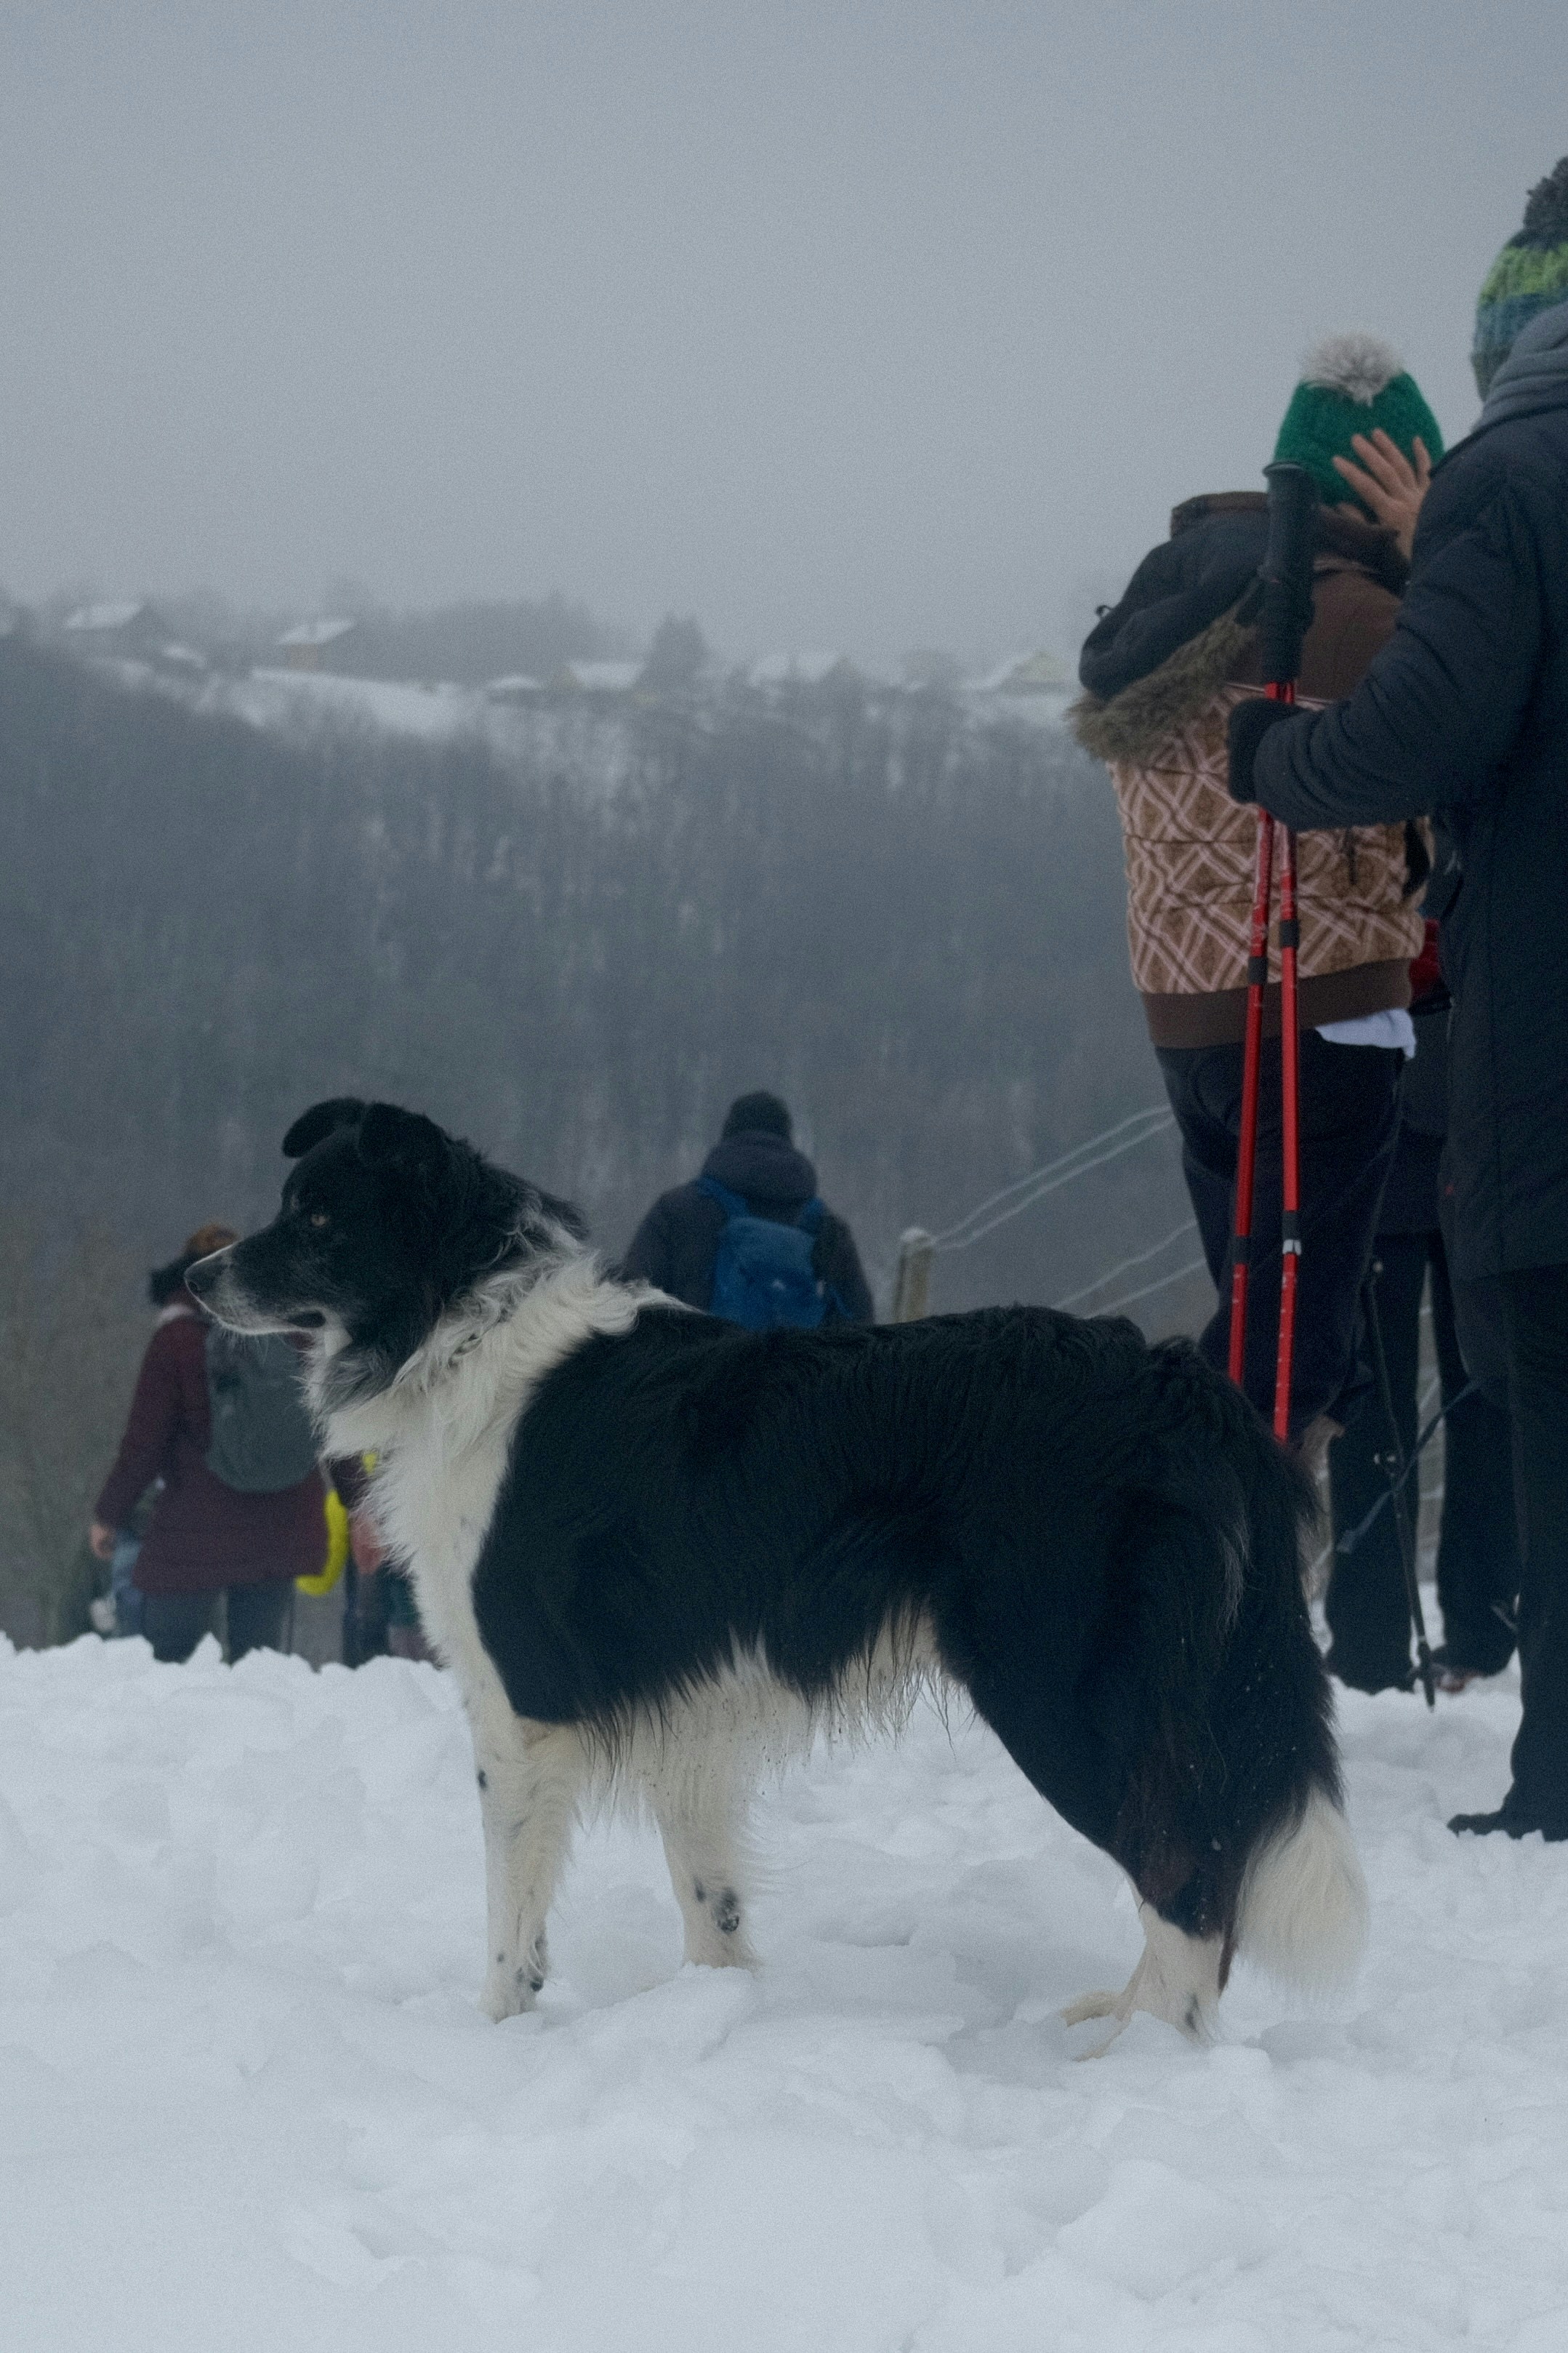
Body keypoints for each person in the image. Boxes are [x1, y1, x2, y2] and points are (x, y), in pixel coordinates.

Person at [1229, 157, 1568, 1835]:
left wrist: (1278, 761)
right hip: (1454, 1051)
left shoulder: (1498, 489)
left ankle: (1511, 1724)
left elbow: (1429, 730)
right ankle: (1484, 1658)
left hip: (1477, 1043)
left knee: (1497, 1374)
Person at [1073, 333, 1443, 1453]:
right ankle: (1203, 1563)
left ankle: (1200, 1540)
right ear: (1386, 477)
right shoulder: (1358, 615)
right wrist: (1432, 560)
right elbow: (1474, 717)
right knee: (1290, 1365)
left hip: (1189, 1022)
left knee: (1258, 1331)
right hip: (1319, 1007)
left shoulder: (1172, 597)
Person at [1324, 920, 1521, 1693]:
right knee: (1403, 1392)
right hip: (1435, 1090)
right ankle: (1404, 1638)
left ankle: (1441, 1633)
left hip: (1432, 1090)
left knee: (1472, 1386)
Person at [90, 1222, 329, 1664]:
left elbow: (143, 1445)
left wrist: (109, 1515)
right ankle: (253, 1735)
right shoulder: (293, 1333)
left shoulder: (176, 1340)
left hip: (194, 1528)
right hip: (282, 1523)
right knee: (258, 1666)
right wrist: (364, 1508)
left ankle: (178, 1735)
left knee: (171, 1663)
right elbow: (334, 1426)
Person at [621, 1091, 875, 1326]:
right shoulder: (823, 1225)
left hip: (700, 1370)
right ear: (788, 1140)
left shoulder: (678, 1209)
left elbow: (629, 1301)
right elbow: (859, 1323)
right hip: (795, 1372)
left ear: (727, 1136)